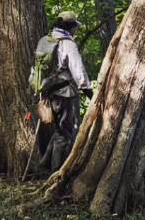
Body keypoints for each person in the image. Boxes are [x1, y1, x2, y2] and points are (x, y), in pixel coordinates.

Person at [32, 10, 92, 172]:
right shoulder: (68, 44)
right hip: (65, 94)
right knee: (65, 133)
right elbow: (78, 70)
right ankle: (56, 172)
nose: (75, 30)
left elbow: (38, 68)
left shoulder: (44, 40)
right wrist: (88, 91)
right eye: (74, 27)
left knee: (59, 131)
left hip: (48, 94)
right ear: (69, 26)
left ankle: (44, 164)